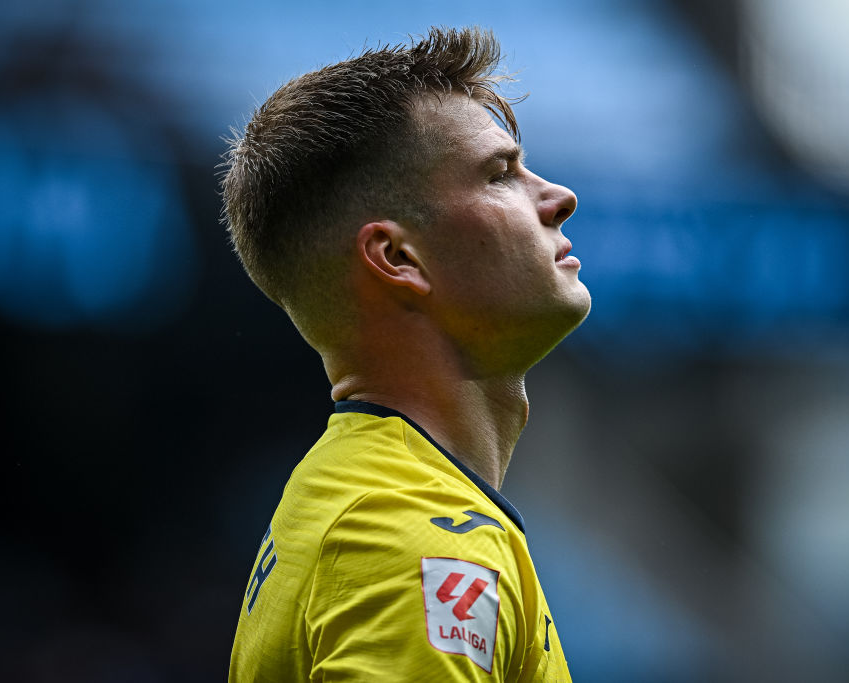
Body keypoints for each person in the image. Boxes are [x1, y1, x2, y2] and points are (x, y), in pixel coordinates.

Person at [222, 26, 590, 681]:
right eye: (500, 174)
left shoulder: (363, 497)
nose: (558, 198)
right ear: (398, 258)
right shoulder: (406, 538)